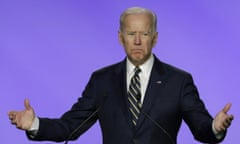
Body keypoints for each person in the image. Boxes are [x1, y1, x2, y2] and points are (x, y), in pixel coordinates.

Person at [8, 7, 233, 144]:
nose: (137, 41)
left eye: (144, 34)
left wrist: (215, 127)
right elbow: (70, 127)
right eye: (131, 33)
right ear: (120, 37)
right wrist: (34, 124)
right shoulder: (101, 81)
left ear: (154, 38)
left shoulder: (179, 81)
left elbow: (202, 128)